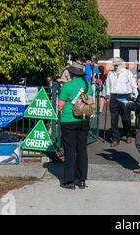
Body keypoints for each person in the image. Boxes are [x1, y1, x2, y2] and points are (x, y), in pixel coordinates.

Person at [57, 62, 93, 190]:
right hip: (84, 120)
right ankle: (82, 179)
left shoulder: (67, 85)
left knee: (70, 150)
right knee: (82, 149)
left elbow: (60, 105)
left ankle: (69, 180)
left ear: (72, 73)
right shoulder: (88, 86)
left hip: (68, 119)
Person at [105, 57, 138, 147]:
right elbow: (107, 86)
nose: (115, 67)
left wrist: (135, 95)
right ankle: (116, 138)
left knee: (126, 118)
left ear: (121, 64)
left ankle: (128, 134)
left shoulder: (127, 73)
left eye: (117, 65)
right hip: (114, 97)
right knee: (113, 119)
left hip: (125, 96)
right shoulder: (110, 74)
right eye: (114, 65)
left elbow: (133, 84)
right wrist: (107, 94)